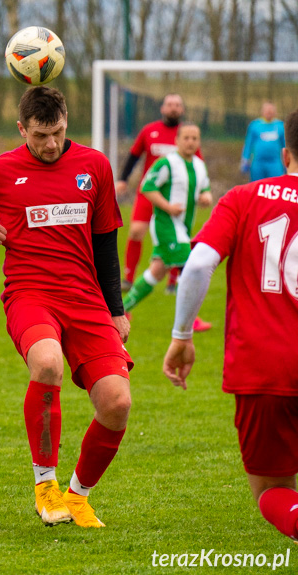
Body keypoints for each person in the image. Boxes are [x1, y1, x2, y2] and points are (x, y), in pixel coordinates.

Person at [0, 86, 132, 528]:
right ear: (21, 129)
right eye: (41, 135)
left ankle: (78, 496)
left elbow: (106, 243)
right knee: (46, 364)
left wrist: (116, 309)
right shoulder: (0, 170)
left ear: (67, 123)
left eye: (58, 133)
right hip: (29, 294)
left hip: (86, 299)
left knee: (117, 402)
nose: (50, 144)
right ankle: (45, 486)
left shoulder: (94, 166)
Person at [163, 107, 298, 542]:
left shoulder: (243, 198)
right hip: (267, 371)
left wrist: (182, 335)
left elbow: (199, 263)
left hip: (265, 369)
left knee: (272, 491)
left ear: (285, 151)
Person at [115, 94, 211, 329]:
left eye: (194, 138)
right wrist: (167, 206)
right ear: (177, 140)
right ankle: (190, 321)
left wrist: (206, 197)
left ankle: (121, 309)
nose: (190, 142)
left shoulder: (198, 165)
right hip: (166, 223)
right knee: (189, 267)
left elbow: (204, 190)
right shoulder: (167, 162)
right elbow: (148, 186)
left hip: (184, 225)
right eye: (186, 138)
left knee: (157, 271)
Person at [241, 101, 286, 182]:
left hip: (275, 163)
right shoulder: (254, 125)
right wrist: (245, 160)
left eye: (271, 110)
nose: (269, 112)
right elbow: (248, 144)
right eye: (267, 110)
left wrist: (288, 161)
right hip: (258, 164)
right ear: (262, 111)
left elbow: (285, 145)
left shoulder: (280, 126)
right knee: (257, 187)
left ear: (275, 112)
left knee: (276, 185)